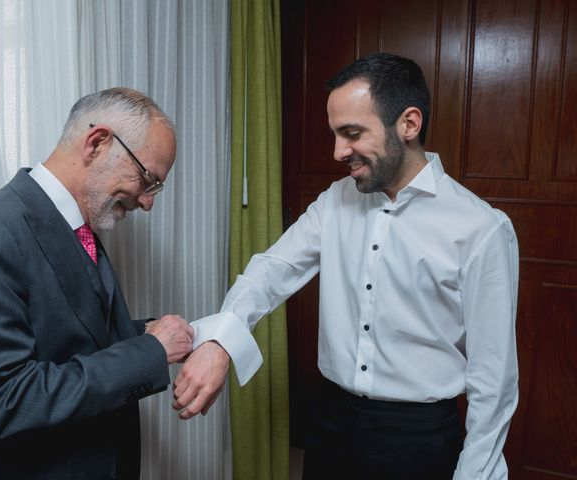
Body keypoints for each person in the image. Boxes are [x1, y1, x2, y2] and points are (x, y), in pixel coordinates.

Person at [173, 53, 519, 479]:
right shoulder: (335, 200)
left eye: (352, 134)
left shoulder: (482, 228)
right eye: (335, 134)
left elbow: (494, 379)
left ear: (408, 124)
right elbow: (270, 271)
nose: (338, 151)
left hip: (419, 440)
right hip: (332, 425)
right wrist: (220, 340)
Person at [0, 87, 194, 479]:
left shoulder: (79, 226)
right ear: (98, 143)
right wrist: (150, 352)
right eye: (148, 179)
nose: (148, 203)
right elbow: (1, 401)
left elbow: (73, 335)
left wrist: (146, 332)